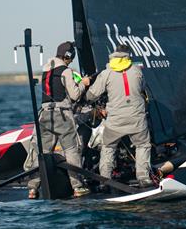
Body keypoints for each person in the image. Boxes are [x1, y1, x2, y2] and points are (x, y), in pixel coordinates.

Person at [26, 41, 90, 199]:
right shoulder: (66, 71)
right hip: (62, 115)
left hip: (44, 115)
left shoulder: (45, 70)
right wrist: (83, 83)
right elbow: (75, 95)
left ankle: (32, 189)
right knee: (72, 150)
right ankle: (78, 187)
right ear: (68, 56)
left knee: (42, 152)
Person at [86, 44, 153, 188]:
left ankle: (105, 181)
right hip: (137, 119)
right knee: (142, 145)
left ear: (114, 55)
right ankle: (143, 178)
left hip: (115, 121)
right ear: (128, 56)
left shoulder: (106, 73)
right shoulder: (137, 71)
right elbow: (142, 88)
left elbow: (91, 95)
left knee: (108, 147)